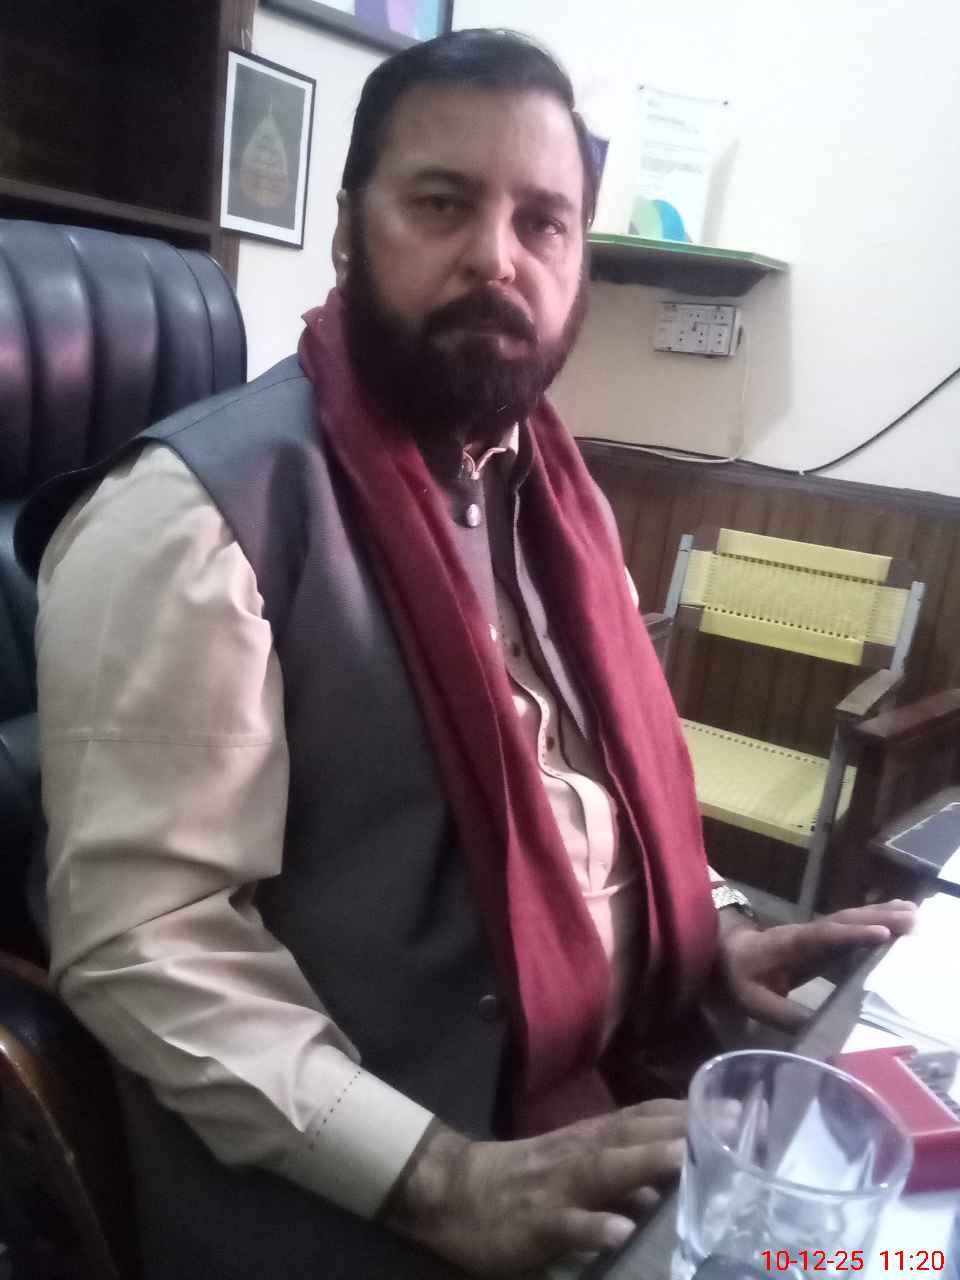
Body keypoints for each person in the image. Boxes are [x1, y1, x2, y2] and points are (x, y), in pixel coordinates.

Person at [20, 28, 915, 1280]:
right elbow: (144, 942)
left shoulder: (544, 488)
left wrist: (712, 930)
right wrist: (443, 1177)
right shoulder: (191, 523)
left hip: (615, 1068)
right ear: (348, 232)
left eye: (545, 223)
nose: (498, 256)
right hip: (384, 1181)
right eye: (442, 204)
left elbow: (596, 795)